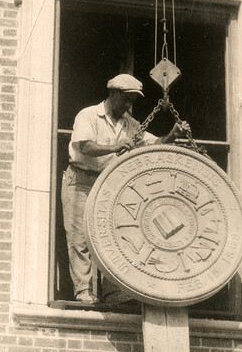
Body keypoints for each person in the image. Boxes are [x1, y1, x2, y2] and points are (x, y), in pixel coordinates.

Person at [62, 73, 190, 303]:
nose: (129, 105)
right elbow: (84, 146)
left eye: (132, 101)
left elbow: (152, 143)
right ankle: (83, 290)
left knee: (111, 237)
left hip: (108, 184)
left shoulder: (131, 124)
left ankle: (113, 291)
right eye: (126, 99)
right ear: (113, 94)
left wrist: (171, 135)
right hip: (80, 180)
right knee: (80, 238)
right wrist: (115, 146)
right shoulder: (89, 115)